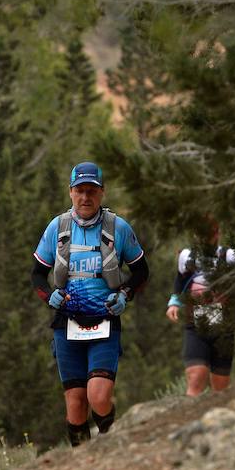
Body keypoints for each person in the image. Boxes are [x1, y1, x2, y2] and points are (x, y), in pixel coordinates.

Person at [31, 162, 149, 447]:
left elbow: (141, 271)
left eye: (92, 191)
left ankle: (111, 442)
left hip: (105, 320)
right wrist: (50, 296)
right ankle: (81, 460)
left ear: (102, 193)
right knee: (75, 402)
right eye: (80, 191)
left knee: (98, 396)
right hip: (67, 323)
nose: (86, 197)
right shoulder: (57, 227)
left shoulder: (118, 228)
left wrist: (125, 295)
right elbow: (37, 273)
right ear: (71, 192)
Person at [165, 220, 235, 396]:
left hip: (224, 326)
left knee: (221, 387)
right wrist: (174, 302)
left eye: (209, 234)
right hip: (195, 324)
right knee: (196, 375)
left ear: (217, 234)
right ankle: (188, 418)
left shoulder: (229, 256)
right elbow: (180, 281)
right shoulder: (186, 256)